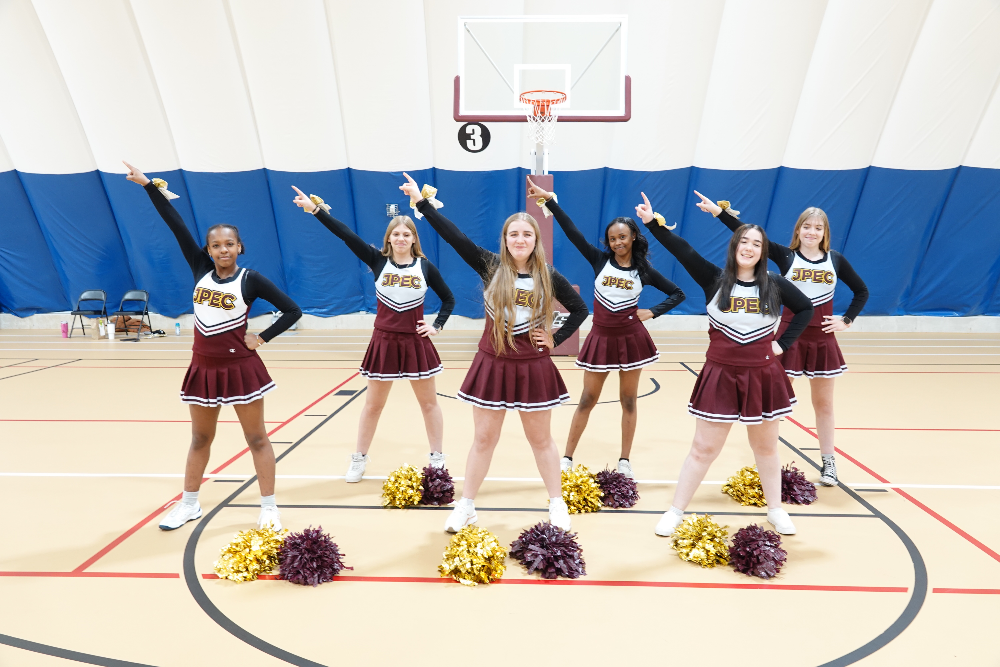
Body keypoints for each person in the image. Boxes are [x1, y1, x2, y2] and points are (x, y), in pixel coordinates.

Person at [400, 173, 588, 532]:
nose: (520, 239)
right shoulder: (491, 266)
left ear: (536, 241)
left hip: (532, 365)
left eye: (527, 234)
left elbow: (580, 309)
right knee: (484, 438)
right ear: (505, 239)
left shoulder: (548, 275)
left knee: (541, 440)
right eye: (513, 233)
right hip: (493, 362)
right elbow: (455, 238)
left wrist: (554, 337)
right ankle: (466, 505)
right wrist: (420, 202)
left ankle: (556, 503)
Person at [124, 161, 301, 532]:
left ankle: (269, 507)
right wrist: (147, 186)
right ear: (208, 248)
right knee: (201, 437)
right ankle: (189, 503)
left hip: (241, 368)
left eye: (229, 244)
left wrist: (262, 337)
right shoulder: (199, 269)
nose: (223, 250)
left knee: (256, 437)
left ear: (240, 247)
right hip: (202, 367)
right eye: (216, 245)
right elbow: (176, 224)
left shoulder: (251, 279)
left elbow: (292, 310)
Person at [635, 191, 812, 536]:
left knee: (765, 447)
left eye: (756, 244)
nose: (748, 247)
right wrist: (651, 224)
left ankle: (775, 509)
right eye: (743, 241)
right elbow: (682, 250)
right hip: (720, 373)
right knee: (703, 448)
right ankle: (675, 510)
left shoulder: (775, 284)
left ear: (763, 252)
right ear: (734, 246)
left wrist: (783, 345)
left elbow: (806, 309)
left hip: (763, 375)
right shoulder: (714, 279)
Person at [695, 193, 868, 486]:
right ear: (798, 230)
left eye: (818, 228)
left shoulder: (835, 260)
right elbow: (745, 236)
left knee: (824, 404)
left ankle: (829, 462)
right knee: (774, 405)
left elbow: (861, 291)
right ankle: (768, 462)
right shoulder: (785, 255)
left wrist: (846, 319)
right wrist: (717, 212)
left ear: (825, 233)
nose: (812, 232)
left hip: (823, 340)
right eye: (807, 226)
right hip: (788, 338)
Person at [291, 186, 455, 482]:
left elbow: (448, 298)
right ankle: (359, 458)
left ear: (414, 239)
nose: (401, 238)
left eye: (407, 234)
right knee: (373, 405)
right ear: (388, 239)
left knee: (429, 403)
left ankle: (437, 457)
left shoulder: (425, 267)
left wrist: (436, 325)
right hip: (384, 342)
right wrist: (314, 209)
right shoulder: (377, 261)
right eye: (396, 234)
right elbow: (345, 234)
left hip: (416, 342)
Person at [525, 178, 685, 479]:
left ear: (634, 237)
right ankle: (567, 457)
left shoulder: (644, 271)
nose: (617, 243)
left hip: (632, 339)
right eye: (612, 239)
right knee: (587, 398)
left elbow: (678, 293)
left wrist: (652, 311)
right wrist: (550, 201)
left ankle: (624, 460)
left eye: (623, 237)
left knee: (628, 400)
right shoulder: (599, 261)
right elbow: (572, 232)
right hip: (600, 338)